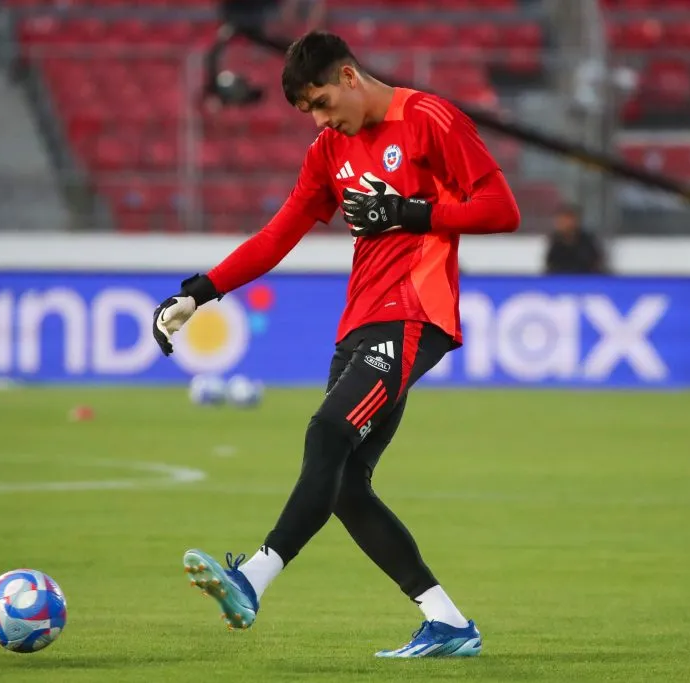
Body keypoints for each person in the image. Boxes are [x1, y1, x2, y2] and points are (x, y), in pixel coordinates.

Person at [151, 30, 520, 658]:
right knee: (346, 484)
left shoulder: (429, 118)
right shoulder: (329, 150)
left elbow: (501, 208)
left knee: (326, 433)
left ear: (349, 76)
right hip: (358, 325)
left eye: (322, 103)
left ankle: (252, 579)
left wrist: (415, 214)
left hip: (413, 316)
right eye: (309, 113)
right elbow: (277, 234)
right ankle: (450, 624)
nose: (321, 120)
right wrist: (200, 291)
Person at [543, 202, 606, 275]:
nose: (563, 223)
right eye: (560, 220)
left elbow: (593, 264)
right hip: (561, 281)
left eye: (567, 220)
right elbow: (551, 265)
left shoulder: (587, 241)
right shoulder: (555, 242)